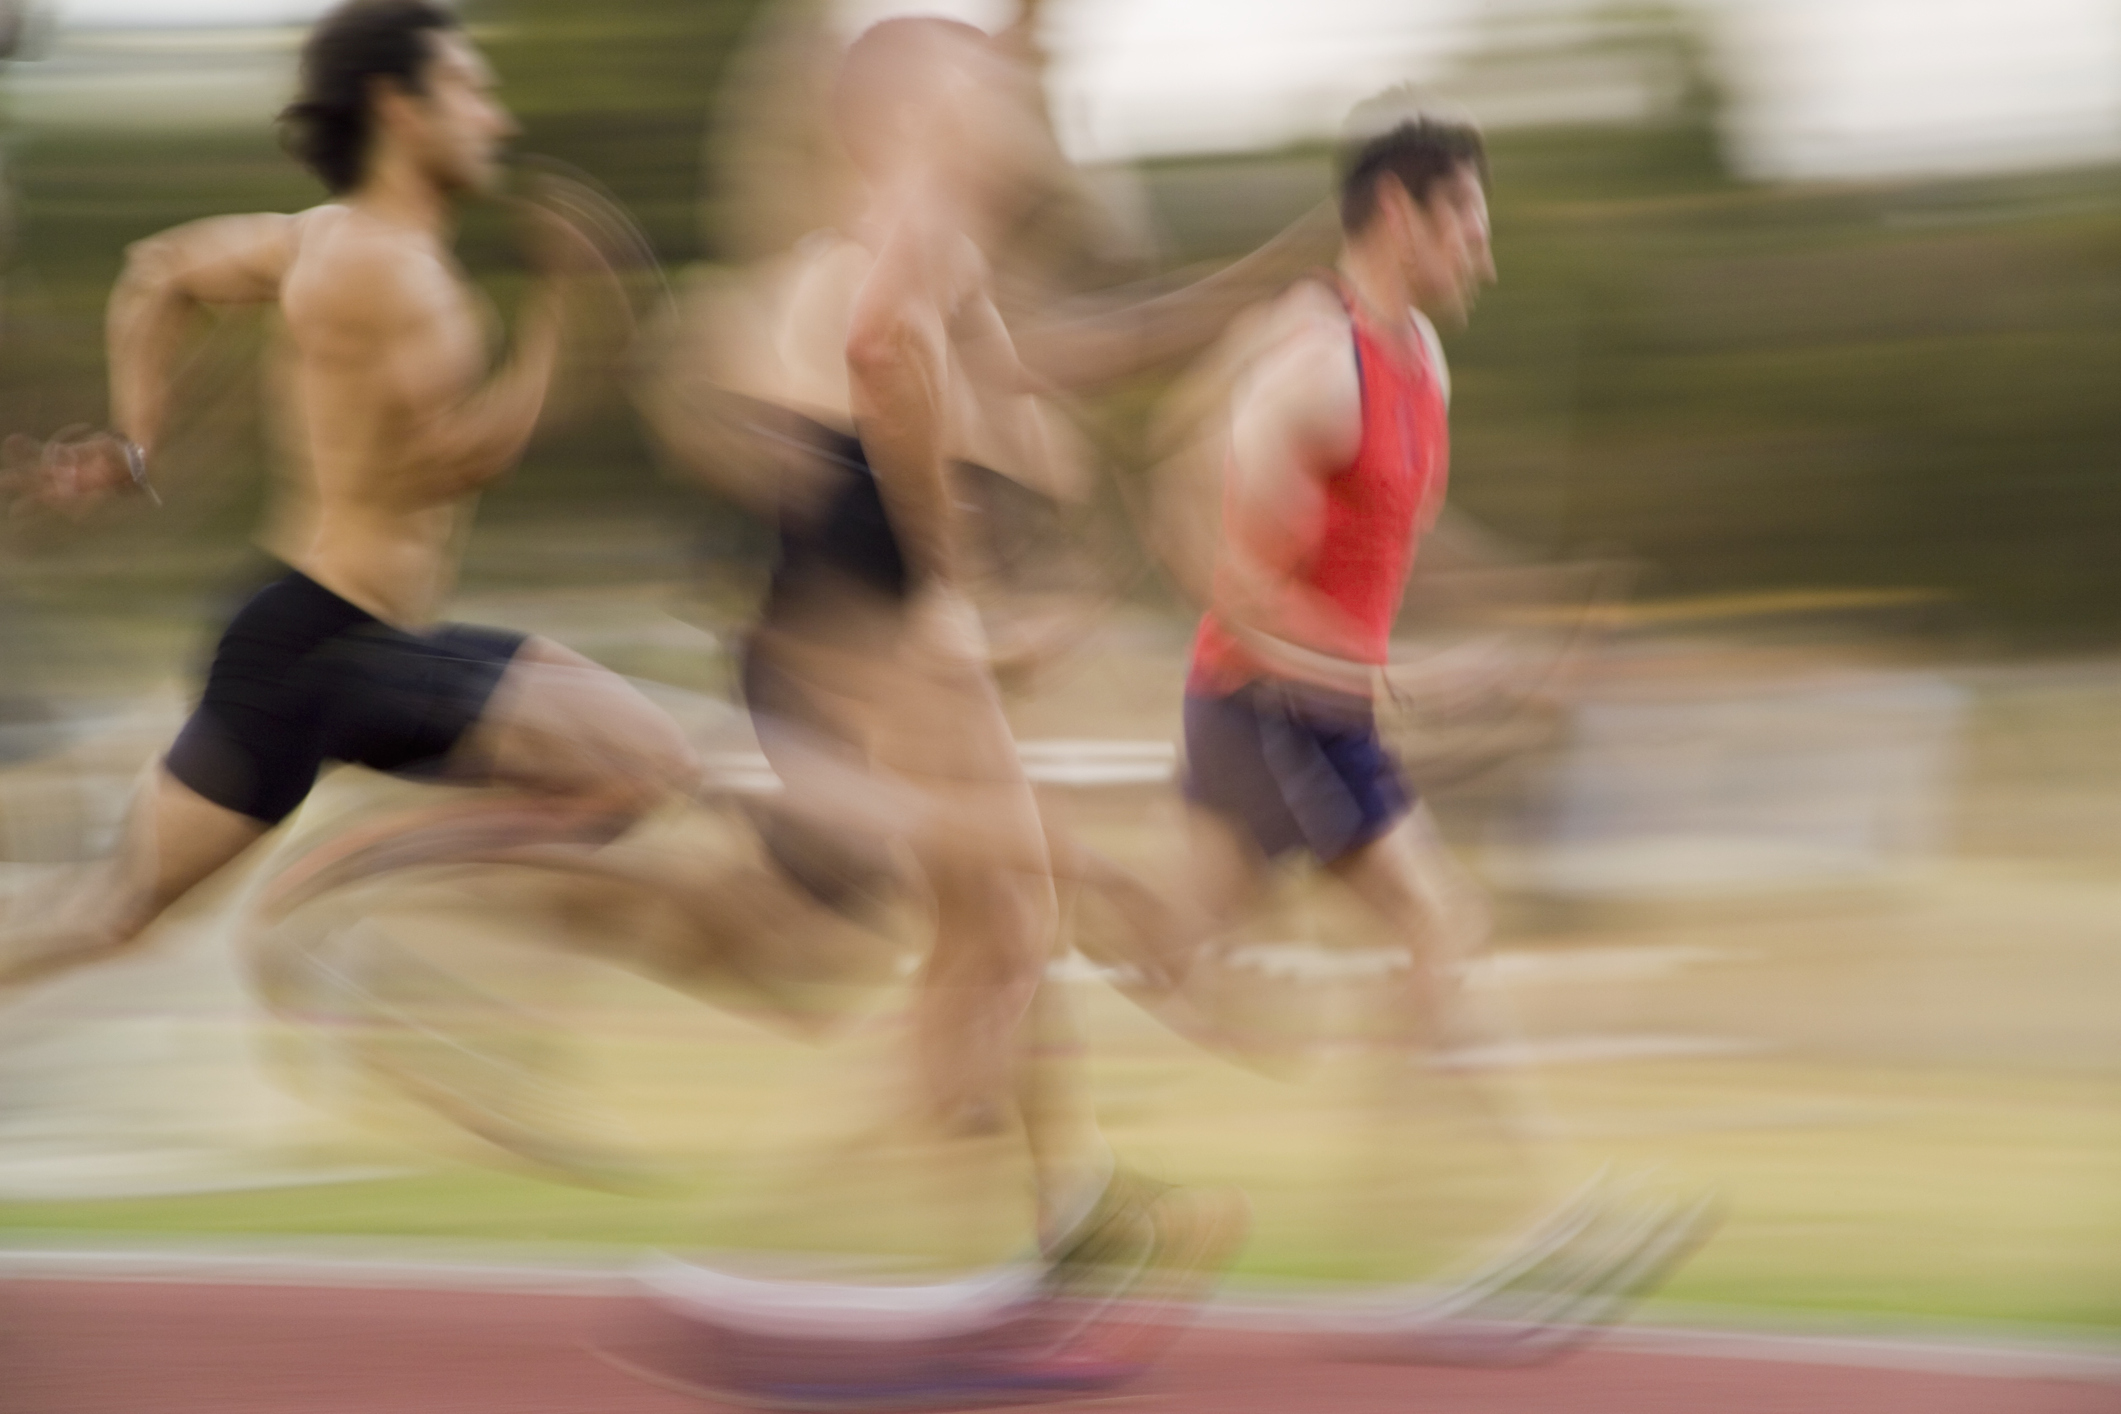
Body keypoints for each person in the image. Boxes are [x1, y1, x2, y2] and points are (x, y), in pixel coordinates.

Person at [1069, 105, 1716, 1360]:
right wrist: (1416, 677)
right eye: (1469, 218)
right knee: (1427, 929)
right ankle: (1506, 1226)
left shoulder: (1420, 355)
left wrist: (1514, 615)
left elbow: (1398, 527)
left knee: (1188, 952)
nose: (1485, 248)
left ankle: (1405, 1235)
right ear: (1402, 215)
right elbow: (1244, 600)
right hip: (1267, 706)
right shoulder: (1310, 369)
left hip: (1332, 706)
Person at [0, 0, 695, 992]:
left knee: (110, 912)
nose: (493, 117)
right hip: (329, 654)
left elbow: (158, 273)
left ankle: (353, 882)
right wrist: (561, 328)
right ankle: (348, 878)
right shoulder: (393, 270)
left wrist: (134, 444)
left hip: (319, 638)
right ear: (399, 108)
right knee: (637, 768)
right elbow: (453, 461)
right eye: (467, 89)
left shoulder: (319, 239)